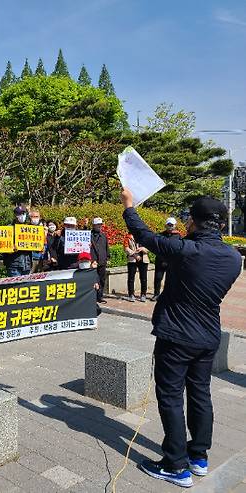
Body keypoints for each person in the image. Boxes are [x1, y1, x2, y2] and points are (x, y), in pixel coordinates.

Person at [121, 189, 241, 488]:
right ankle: (198, 457)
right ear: (223, 225)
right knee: (200, 394)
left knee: (171, 397)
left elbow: (143, 234)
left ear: (192, 222)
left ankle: (175, 465)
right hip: (208, 336)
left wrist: (129, 206)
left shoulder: (185, 250)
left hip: (176, 337)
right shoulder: (233, 257)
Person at [152, 217, 181, 301]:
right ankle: (156, 294)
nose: (170, 226)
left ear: (175, 225)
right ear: (165, 225)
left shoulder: (178, 236)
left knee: (169, 279)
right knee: (158, 278)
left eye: (171, 225)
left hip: (171, 262)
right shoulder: (160, 235)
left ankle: (167, 295)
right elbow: (157, 248)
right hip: (160, 261)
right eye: (168, 225)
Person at [4, 205, 32, 277]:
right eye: (19, 214)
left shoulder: (30, 229)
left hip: (27, 264)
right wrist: (10, 248)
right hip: (14, 265)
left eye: (23, 213)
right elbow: (3, 246)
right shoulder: (9, 228)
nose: (22, 216)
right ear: (15, 215)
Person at [124, 232, 150, 302]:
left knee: (143, 278)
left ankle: (143, 294)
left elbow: (150, 248)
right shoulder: (128, 236)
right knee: (131, 278)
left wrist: (143, 249)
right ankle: (131, 294)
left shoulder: (144, 236)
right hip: (132, 259)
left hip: (144, 259)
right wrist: (134, 255)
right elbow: (126, 248)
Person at [90, 217, 110, 303]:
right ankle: (92, 297)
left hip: (102, 261)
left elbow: (107, 248)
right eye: (97, 225)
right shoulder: (89, 235)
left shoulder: (104, 235)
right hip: (92, 261)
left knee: (102, 280)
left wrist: (108, 258)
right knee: (93, 280)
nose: (99, 226)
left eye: (100, 225)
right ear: (93, 225)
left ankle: (100, 296)